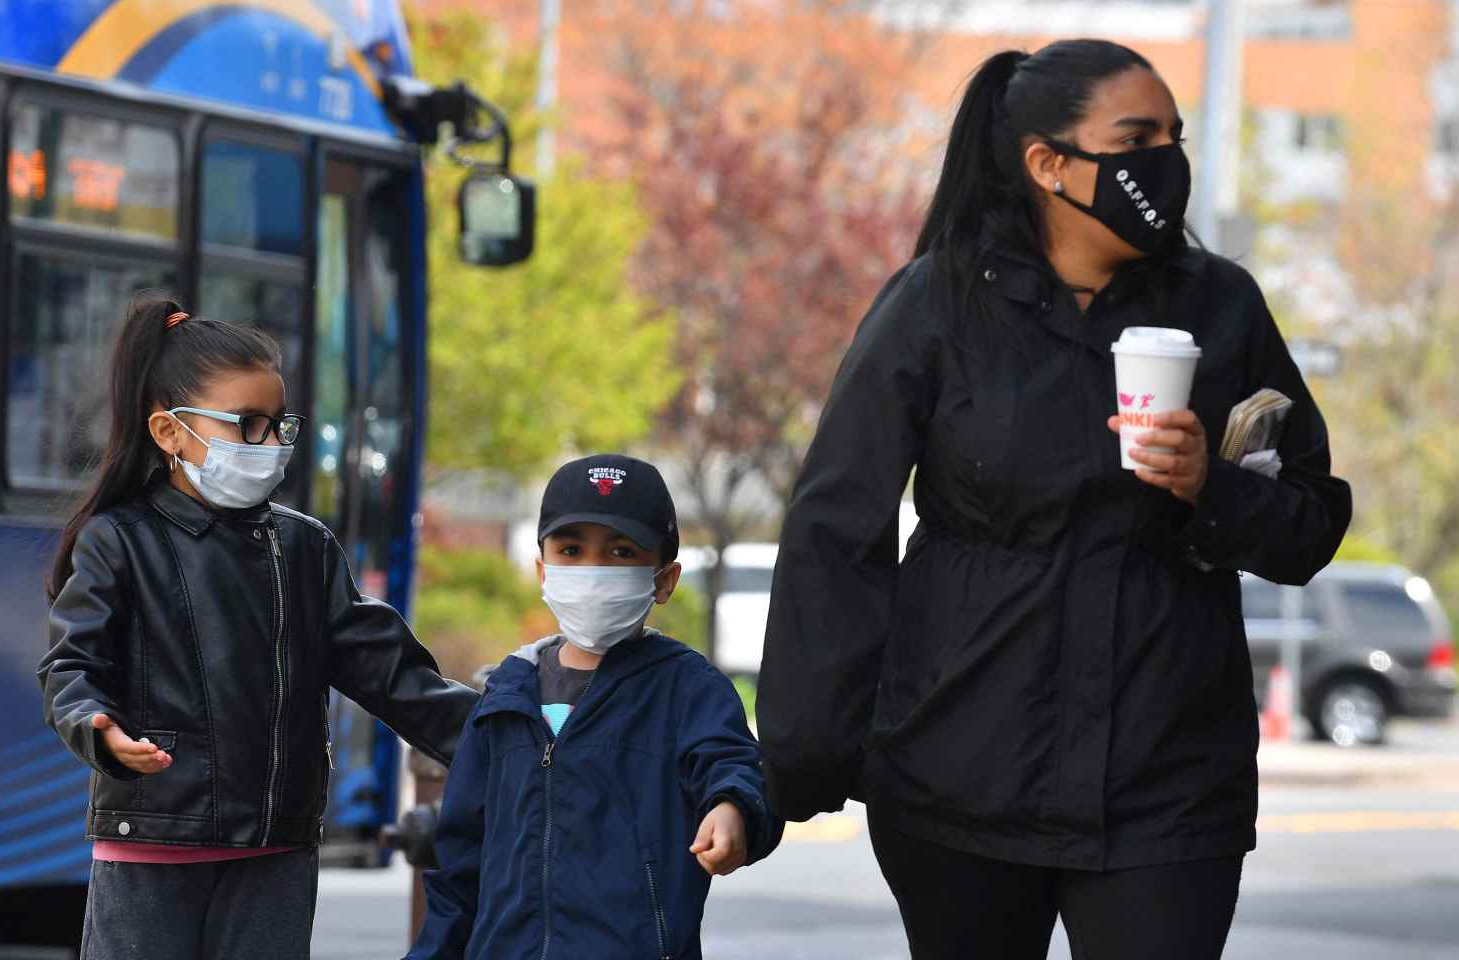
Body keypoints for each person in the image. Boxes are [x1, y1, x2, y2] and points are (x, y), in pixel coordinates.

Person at [757, 39, 1352, 960]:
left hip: (1168, 789)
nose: (1167, 159)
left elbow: (1312, 521)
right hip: (959, 779)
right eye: (1136, 136)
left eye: (1174, 135)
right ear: (1049, 164)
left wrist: (1211, 487)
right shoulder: (937, 303)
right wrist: (804, 750)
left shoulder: (1222, 306)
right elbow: (837, 525)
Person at [38, 290, 477, 960]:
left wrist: (502, 732)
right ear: (169, 431)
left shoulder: (304, 548)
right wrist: (93, 724)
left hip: (276, 849)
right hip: (154, 843)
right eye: (247, 424)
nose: (270, 445)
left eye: (278, 425)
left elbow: (390, 674)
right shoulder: (117, 541)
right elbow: (72, 665)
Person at [407, 454, 783, 959]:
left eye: (622, 552)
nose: (594, 569)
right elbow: (460, 872)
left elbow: (733, 763)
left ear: (665, 579)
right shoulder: (505, 697)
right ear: (543, 569)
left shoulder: (686, 689)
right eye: (572, 549)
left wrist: (732, 808)